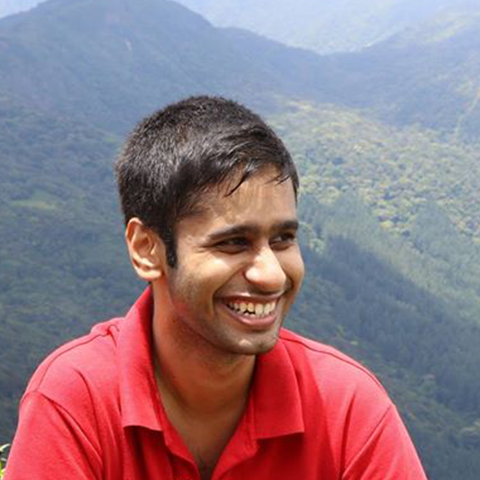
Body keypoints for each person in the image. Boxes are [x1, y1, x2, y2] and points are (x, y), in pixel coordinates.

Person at [5, 96, 427, 479]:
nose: (272, 275)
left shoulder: (345, 406)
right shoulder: (79, 399)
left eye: (283, 239)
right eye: (233, 242)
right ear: (147, 249)